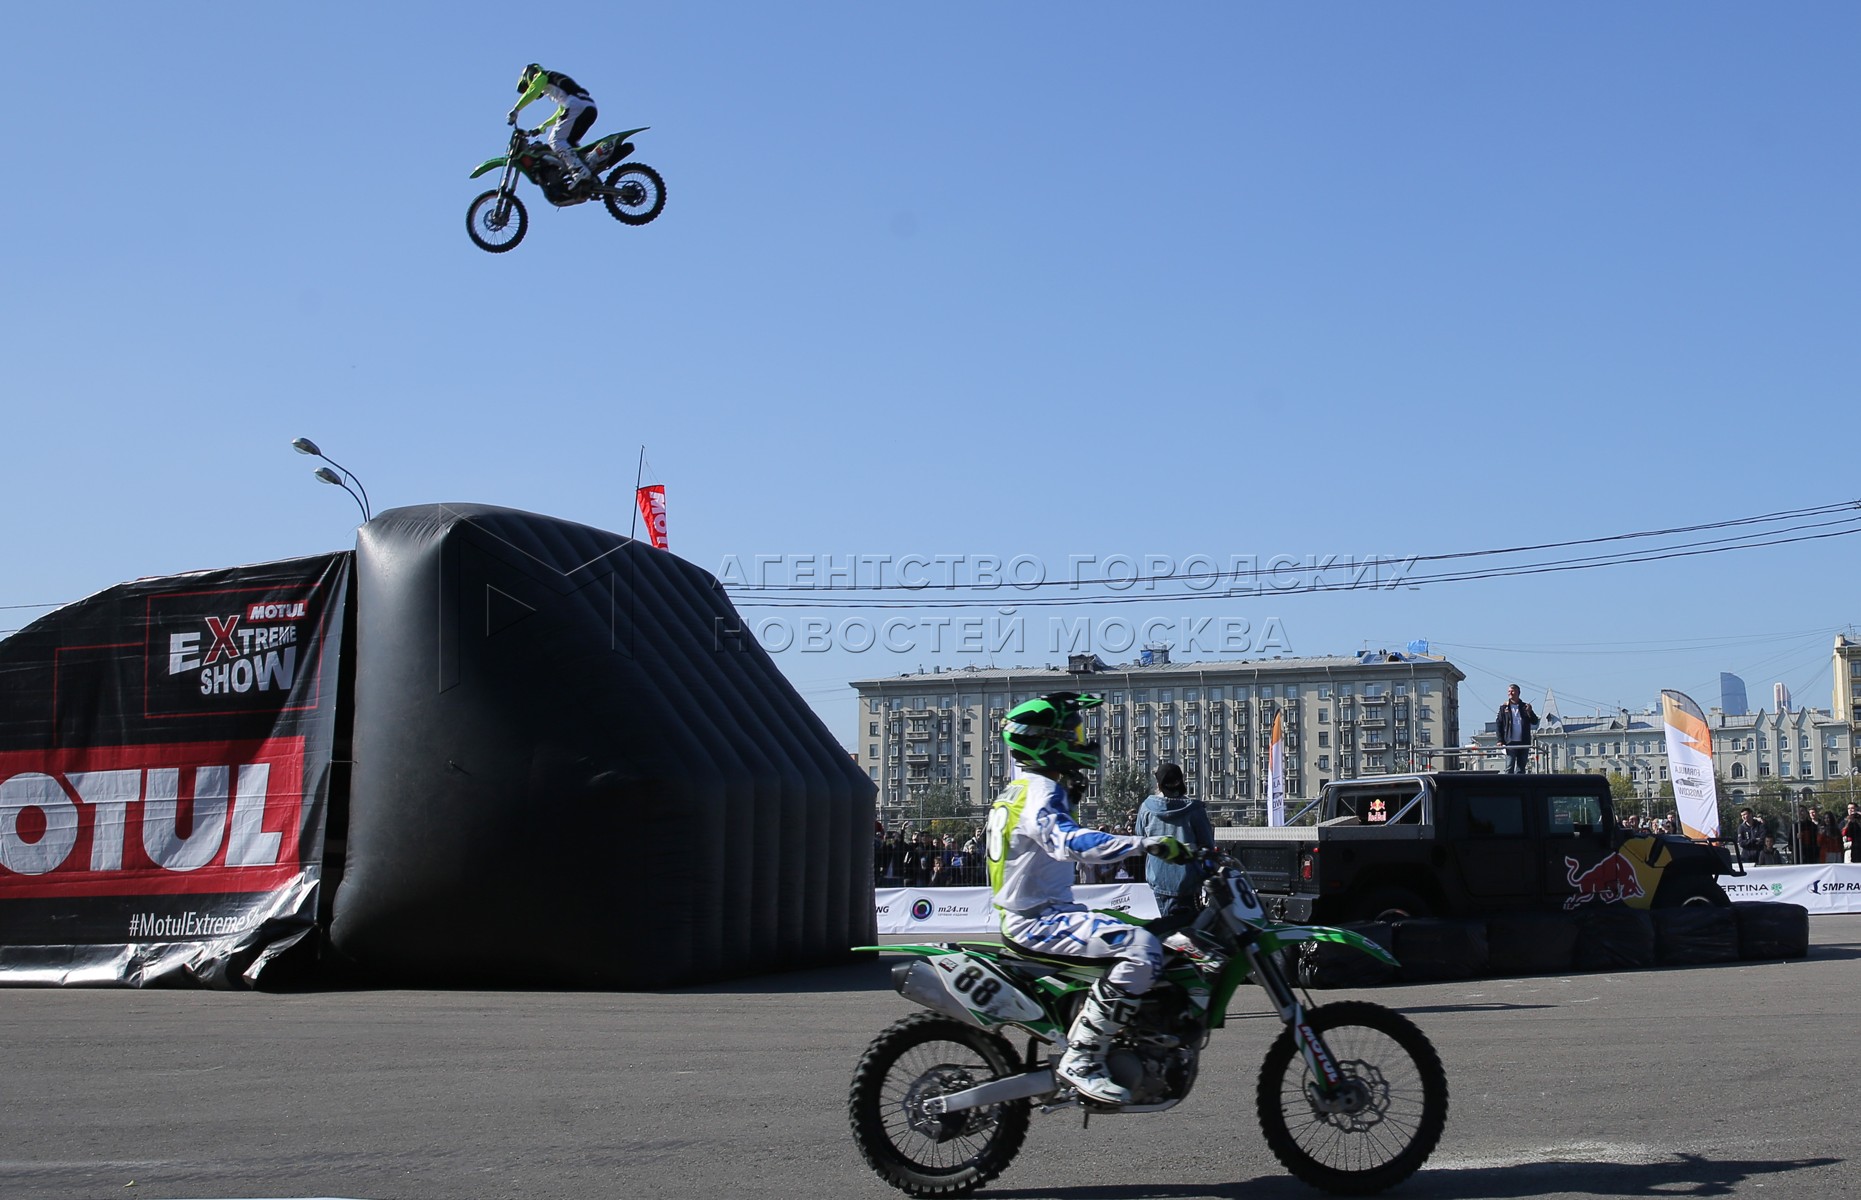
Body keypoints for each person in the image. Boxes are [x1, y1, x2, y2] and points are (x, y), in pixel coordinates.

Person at [988, 692, 1188, 1105]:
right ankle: (1082, 1058)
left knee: (1143, 932)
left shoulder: (1020, 789)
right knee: (1141, 950)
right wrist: (1143, 843)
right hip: (1037, 920)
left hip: (1040, 913)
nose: (1082, 741)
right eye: (1073, 733)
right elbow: (1069, 843)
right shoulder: (1041, 790)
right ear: (1047, 740)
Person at [1134, 763, 1216, 933]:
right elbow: (1207, 844)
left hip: (1158, 879)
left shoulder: (1146, 808)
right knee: (1189, 932)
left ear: (1159, 784)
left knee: (1169, 929)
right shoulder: (1195, 810)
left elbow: (1140, 838)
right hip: (1188, 881)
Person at [508, 64, 600, 191]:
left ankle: (579, 171)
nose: (528, 88)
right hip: (589, 106)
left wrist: (516, 109)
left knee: (555, 140)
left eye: (526, 85)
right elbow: (561, 112)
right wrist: (543, 126)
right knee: (569, 142)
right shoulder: (558, 88)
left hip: (577, 104)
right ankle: (588, 170)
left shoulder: (542, 75)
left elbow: (533, 90)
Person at [1494, 684, 1539, 774]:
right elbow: (1499, 724)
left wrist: (1530, 711)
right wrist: (1500, 740)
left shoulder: (1525, 707)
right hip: (1510, 742)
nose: (1510, 693)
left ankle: (1520, 783)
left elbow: (1535, 721)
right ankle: (1508, 783)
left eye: (1512, 691)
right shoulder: (1504, 707)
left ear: (1518, 692)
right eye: (1509, 691)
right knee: (1509, 766)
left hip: (1524, 741)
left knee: (1521, 768)